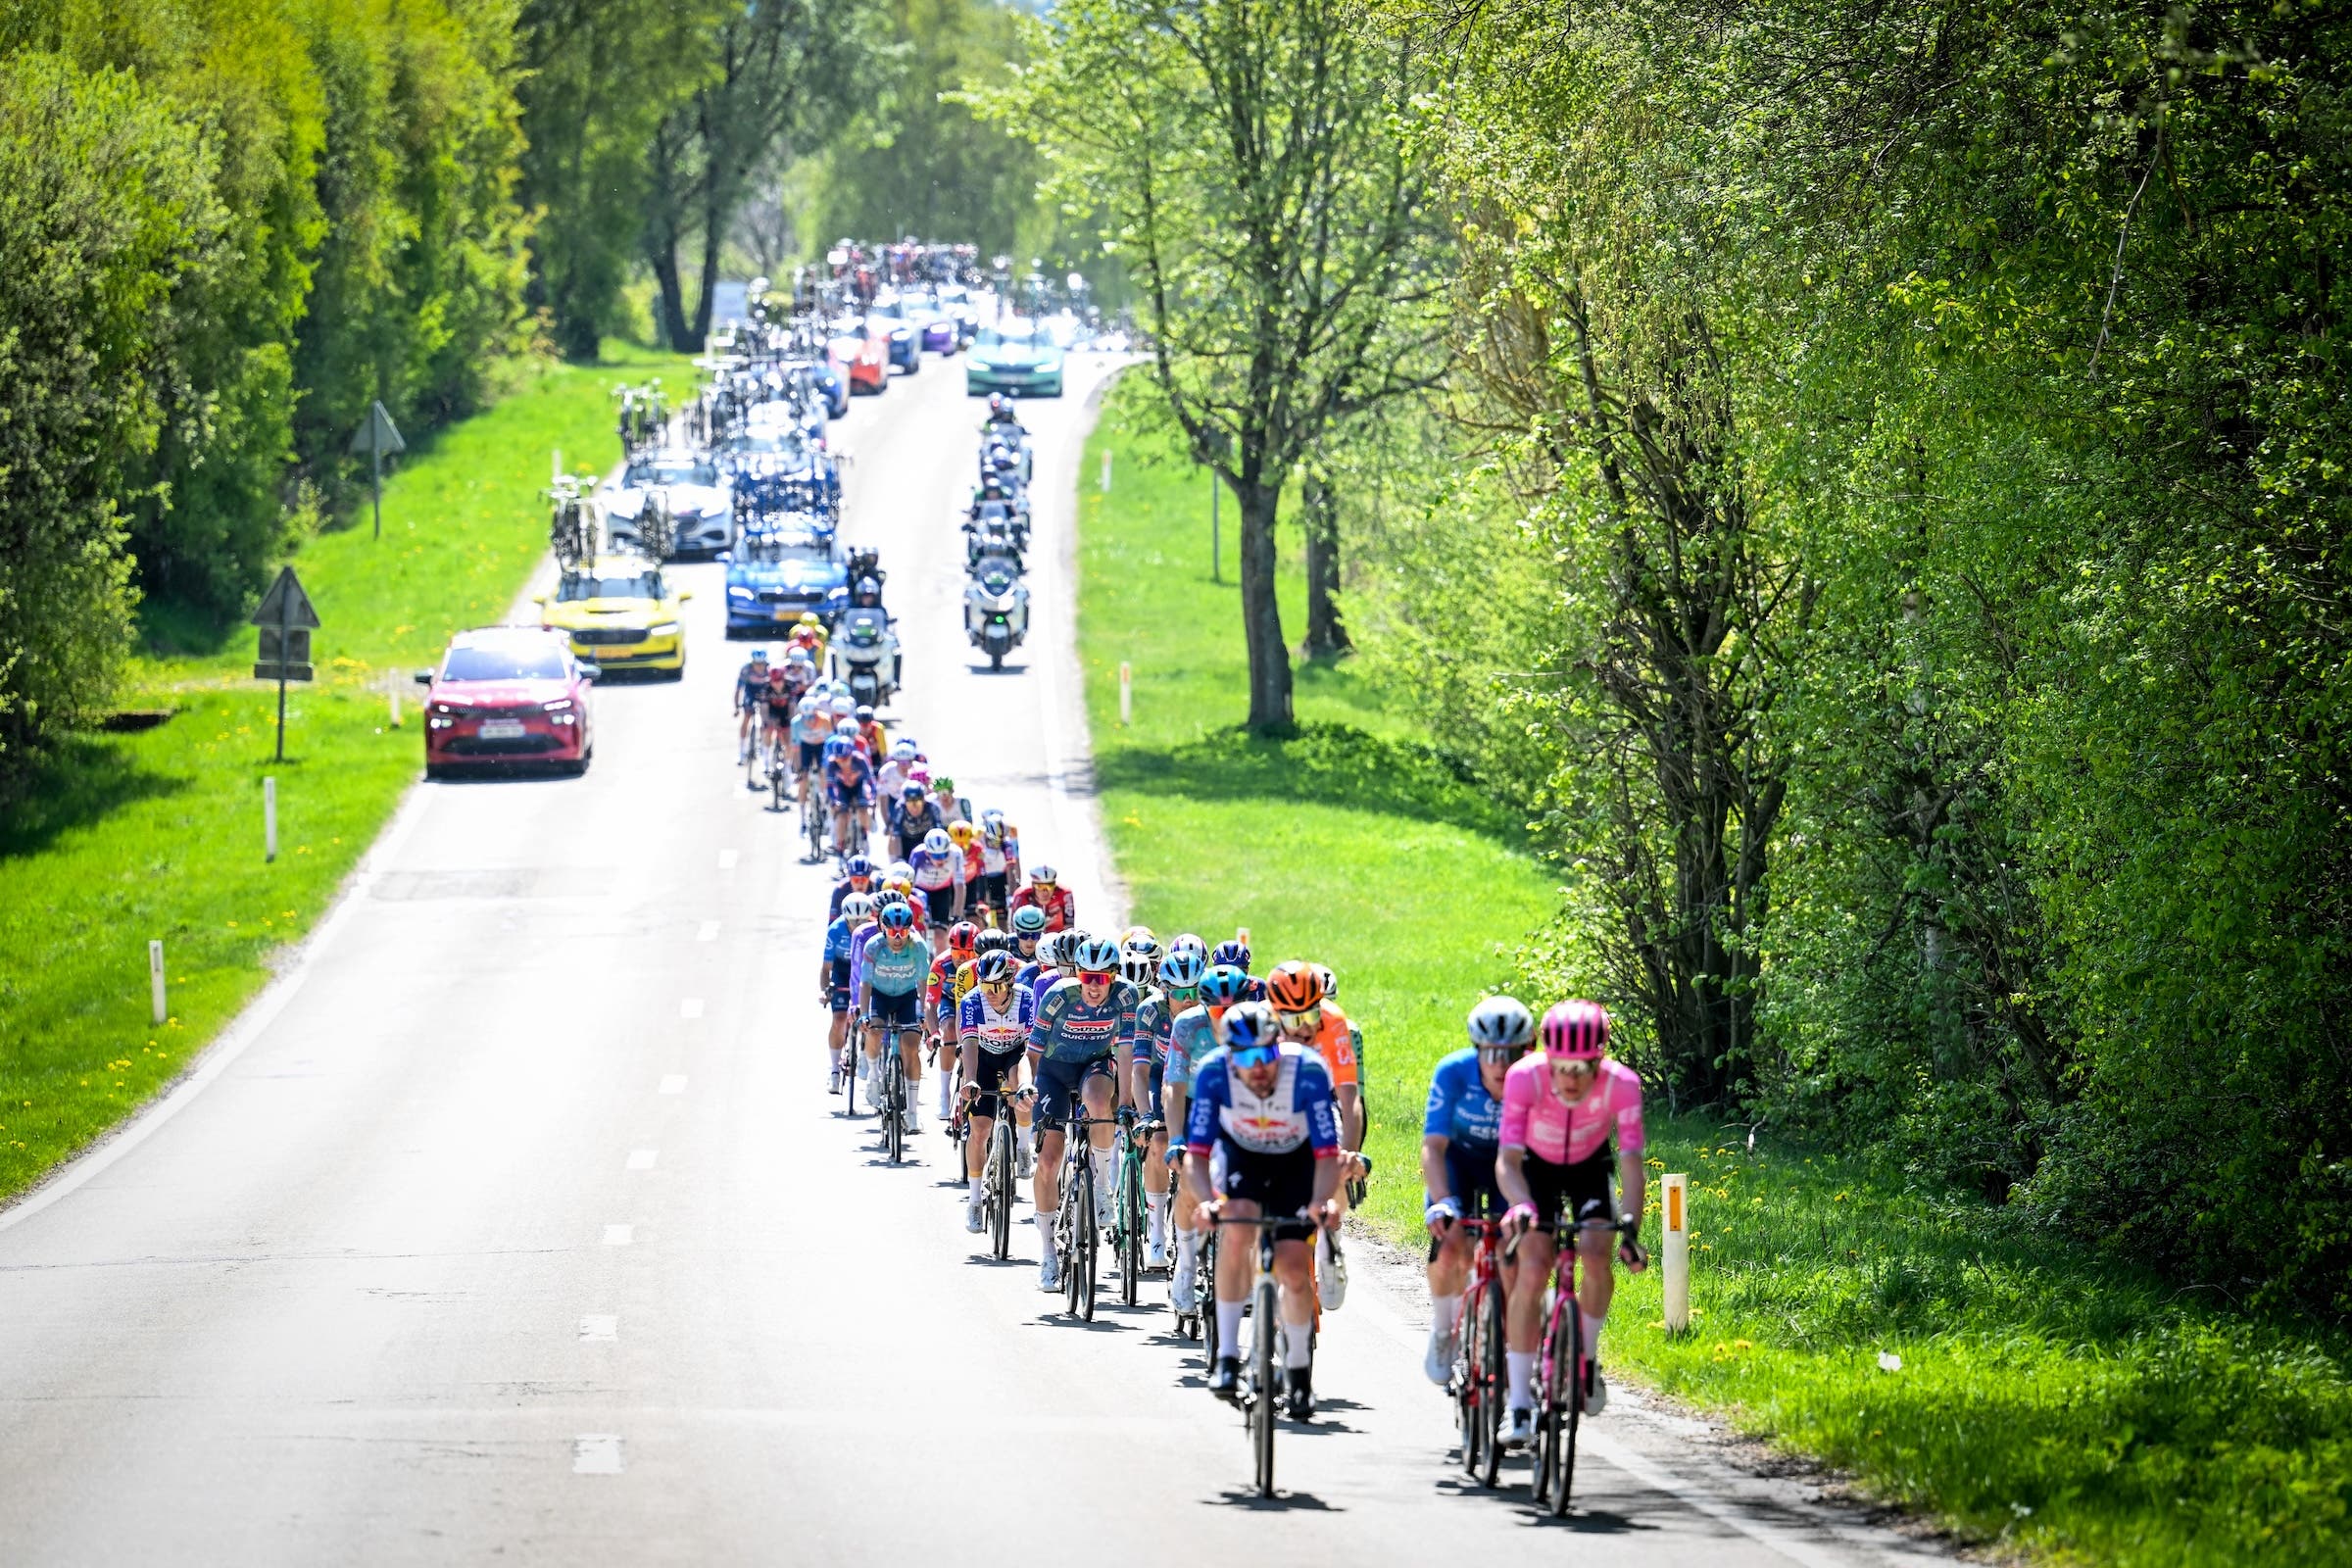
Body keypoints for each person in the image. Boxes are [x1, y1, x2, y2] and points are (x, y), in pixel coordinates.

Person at [1495, 1000, 1647, 1446]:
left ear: (1600, 1058)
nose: (1572, 1078)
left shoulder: (1623, 1085)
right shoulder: (1523, 1076)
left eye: (1584, 1067)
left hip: (1588, 1168)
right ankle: (1519, 1404)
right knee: (1533, 1267)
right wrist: (1521, 1205)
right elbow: (1507, 1160)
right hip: (1535, 1170)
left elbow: (1632, 1163)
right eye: (1562, 1065)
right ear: (1546, 1056)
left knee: (1598, 1254)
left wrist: (1631, 1226)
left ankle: (1586, 1355)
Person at [1186, 1000, 1343, 1418]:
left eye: (1267, 1054)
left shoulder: (1307, 1071)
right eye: (1247, 1058)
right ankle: (1226, 1357)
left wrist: (1320, 1202)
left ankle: (1298, 1374)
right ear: (1229, 1056)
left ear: (1280, 1046)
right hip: (1242, 1157)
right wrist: (1207, 1202)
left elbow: (1328, 1154)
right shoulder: (1214, 1073)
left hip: (1298, 1160)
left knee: (1293, 1266)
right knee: (1235, 1229)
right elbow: (1196, 1156)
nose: (1259, 1068)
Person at [1420, 996, 1536, 1384]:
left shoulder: (1536, 1079)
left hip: (1513, 1164)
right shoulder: (1453, 1072)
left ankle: (1506, 1337)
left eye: (1511, 1053)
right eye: (1491, 1053)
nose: (1501, 1064)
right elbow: (1433, 1148)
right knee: (1451, 1241)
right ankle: (1442, 1330)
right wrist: (1442, 1202)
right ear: (1477, 1049)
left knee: (1511, 1250)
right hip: (1459, 1161)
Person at [1025, 933, 1138, 1292]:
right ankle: (1047, 1253)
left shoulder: (1126, 996)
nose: (1093, 986)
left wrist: (1126, 1104)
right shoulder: (1058, 997)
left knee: (1100, 1103)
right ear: (1077, 973)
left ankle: (1102, 1187)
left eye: (1101, 978)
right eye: (1087, 977)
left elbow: (1125, 1051)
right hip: (1054, 1072)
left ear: (1114, 976)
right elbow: (1035, 1054)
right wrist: (1030, 1089)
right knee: (1048, 1160)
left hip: (1095, 1065)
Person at [1165, 960, 1246, 1315]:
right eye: (1217, 1008)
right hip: (1196, 1102)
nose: (1225, 1015)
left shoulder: (1260, 1027)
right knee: (1188, 1181)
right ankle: (1185, 1264)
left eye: (1232, 1008)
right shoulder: (1187, 1025)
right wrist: (1176, 1138)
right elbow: (1174, 1085)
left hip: (1242, 1105)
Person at [956, 951, 1035, 1233]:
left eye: (996, 987)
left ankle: (1023, 1146)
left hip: (1015, 1053)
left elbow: (1029, 1049)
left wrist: (1025, 1085)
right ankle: (975, 1200)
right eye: (984, 986)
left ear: (1011, 982)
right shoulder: (972, 1001)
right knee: (979, 1130)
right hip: (984, 1057)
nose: (989, 993)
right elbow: (969, 1044)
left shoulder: (1026, 998)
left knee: (1019, 1084)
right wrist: (970, 1080)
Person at [1122, 935, 1176, 1269]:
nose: (1184, 999)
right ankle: (1157, 1234)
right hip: (1159, 1075)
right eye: (1176, 992)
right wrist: (1144, 1115)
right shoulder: (1150, 1009)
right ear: (1163, 987)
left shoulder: (1206, 1013)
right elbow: (1139, 1071)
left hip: (1192, 1080)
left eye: (1191, 992)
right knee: (1158, 1140)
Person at [858, 899, 933, 1134]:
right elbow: (865, 984)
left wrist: (923, 1014)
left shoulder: (918, 947)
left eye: (903, 932)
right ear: (883, 928)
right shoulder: (873, 947)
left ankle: (912, 1112)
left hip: (906, 996)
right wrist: (863, 1014)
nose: (898, 937)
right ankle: (873, 1074)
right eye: (892, 931)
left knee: (910, 1045)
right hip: (880, 995)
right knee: (875, 1030)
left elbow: (923, 985)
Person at [820, 893, 878, 1089]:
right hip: (843, 972)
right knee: (839, 1019)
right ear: (845, 918)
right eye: (852, 921)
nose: (857, 924)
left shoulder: (874, 929)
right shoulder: (835, 930)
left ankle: (864, 1052)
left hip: (867, 971)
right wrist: (825, 990)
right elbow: (826, 968)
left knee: (872, 1016)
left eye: (862, 920)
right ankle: (834, 1070)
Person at [926, 920, 981, 1120]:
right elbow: (930, 1003)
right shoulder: (940, 964)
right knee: (949, 1029)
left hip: (974, 1002)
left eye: (968, 954)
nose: (962, 959)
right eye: (958, 954)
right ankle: (944, 1092)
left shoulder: (981, 965)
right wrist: (933, 1033)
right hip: (949, 1002)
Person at [822, 734, 876, 858]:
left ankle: (864, 836)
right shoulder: (832, 763)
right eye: (839, 759)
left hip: (858, 787)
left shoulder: (861, 760)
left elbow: (871, 782)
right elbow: (829, 786)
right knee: (841, 815)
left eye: (845, 759)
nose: (842, 762)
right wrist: (834, 800)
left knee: (863, 808)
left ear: (851, 754)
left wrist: (872, 798)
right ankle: (840, 847)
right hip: (843, 789)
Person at [907, 826, 966, 936]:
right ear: (927, 853)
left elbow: (959, 885)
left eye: (944, 854)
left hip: (942, 891)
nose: (940, 859)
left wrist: (957, 914)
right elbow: (909, 883)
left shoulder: (956, 853)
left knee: (940, 934)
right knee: (918, 932)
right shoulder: (917, 854)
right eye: (936, 855)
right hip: (920, 891)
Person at [976, 810, 1021, 922]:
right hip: (982, 876)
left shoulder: (1007, 844)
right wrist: (981, 899)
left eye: (999, 841)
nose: (997, 845)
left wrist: (1012, 894)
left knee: (1001, 914)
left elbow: (1012, 869)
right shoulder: (978, 840)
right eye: (994, 841)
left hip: (1000, 876)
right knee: (980, 913)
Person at [732, 648, 772, 768]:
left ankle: (763, 750)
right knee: (747, 717)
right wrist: (736, 707)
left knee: (765, 719)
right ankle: (742, 750)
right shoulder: (746, 669)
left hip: (764, 691)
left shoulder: (770, 669)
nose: (759, 667)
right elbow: (738, 689)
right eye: (756, 664)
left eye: (761, 664)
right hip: (750, 691)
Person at [887, 781, 947, 862]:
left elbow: (939, 831)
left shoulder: (932, 807)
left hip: (926, 840)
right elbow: (896, 836)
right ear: (905, 803)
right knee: (892, 832)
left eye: (918, 803)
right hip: (906, 840)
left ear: (923, 801)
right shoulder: (900, 808)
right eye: (910, 804)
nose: (914, 808)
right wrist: (899, 858)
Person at [1009, 864, 1076, 933]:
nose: (1045, 891)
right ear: (1033, 885)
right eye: (1040, 886)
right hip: (1032, 938)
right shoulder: (1021, 895)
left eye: (1050, 886)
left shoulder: (1065, 893)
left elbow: (1070, 926)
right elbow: (1014, 927)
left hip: (1056, 937)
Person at [827, 855, 875, 919]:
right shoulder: (841, 889)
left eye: (864, 879)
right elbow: (833, 919)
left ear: (869, 878)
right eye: (856, 880)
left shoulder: (875, 887)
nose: (860, 883)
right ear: (849, 878)